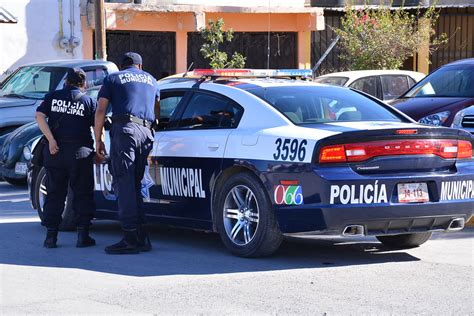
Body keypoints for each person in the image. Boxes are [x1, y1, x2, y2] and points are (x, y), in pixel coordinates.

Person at [95, 52, 160, 255]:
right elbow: (157, 109)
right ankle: (142, 237)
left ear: (123, 66)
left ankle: (130, 238)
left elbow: (100, 110)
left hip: (126, 132)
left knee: (124, 185)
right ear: (140, 66)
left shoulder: (113, 78)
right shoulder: (152, 80)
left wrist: (98, 140)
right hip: (146, 133)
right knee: (136, 184)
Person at [35, 68, 97, 248]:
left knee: (54, 193)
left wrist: (51, 140)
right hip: (80, 153)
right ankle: (83, 236)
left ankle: (50, 237)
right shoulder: (88, 101)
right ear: (83, 84)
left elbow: (39, 116)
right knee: (82, 193)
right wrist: (100, 147)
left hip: (56, 151)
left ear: (66, 81)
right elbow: (97, 125)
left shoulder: (52, 97)